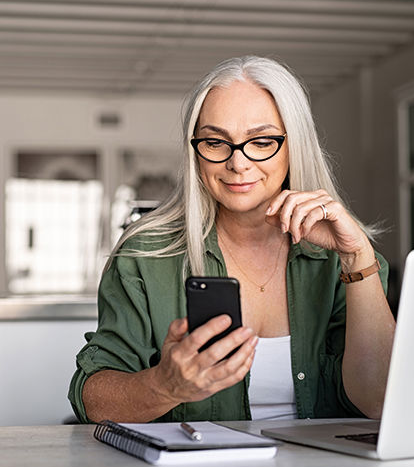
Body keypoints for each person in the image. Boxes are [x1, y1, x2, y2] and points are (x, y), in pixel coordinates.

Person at [68, 55, 396, 424]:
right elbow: (93, 400)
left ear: (294, 145)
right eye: (215, 142)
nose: (237, 163)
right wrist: (165, 386)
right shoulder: (145, 255)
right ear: (196, 152)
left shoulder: (346, 259)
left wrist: (357, 259)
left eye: (260, 141)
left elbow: (380, 401)